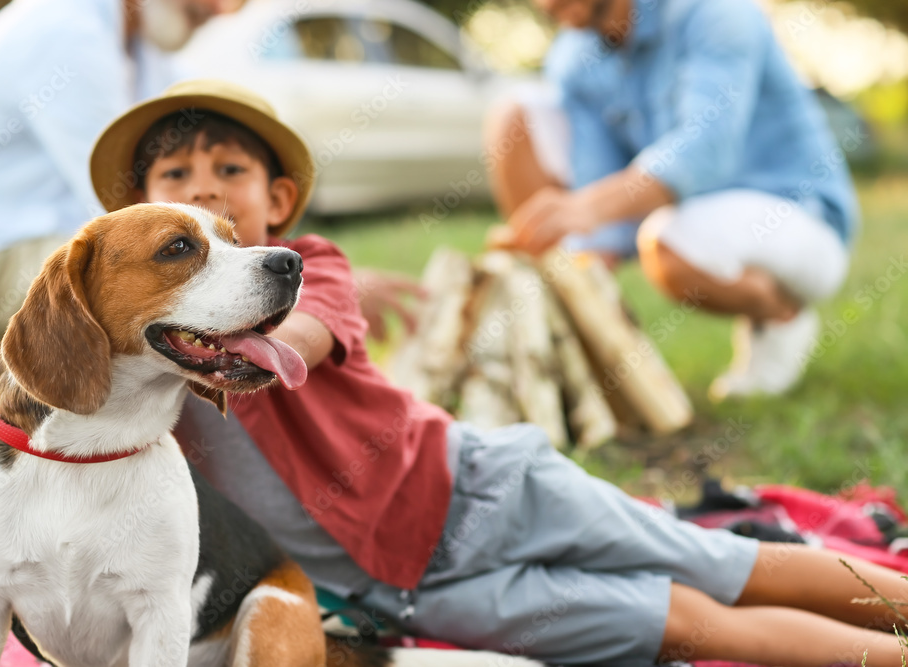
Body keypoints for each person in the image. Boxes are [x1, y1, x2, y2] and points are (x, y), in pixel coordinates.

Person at [90, 78, 906, 666]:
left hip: (481, 490)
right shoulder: (143, 354)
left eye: (228, 172)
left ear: (281, 194)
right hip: (414, 593)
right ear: (138, 215)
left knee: (713, 563)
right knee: (685, 623)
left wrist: (199, 342)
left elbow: (290, 348)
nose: (204, 189)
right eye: (175, 181)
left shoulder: (309, 268)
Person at [485, 0, 858, 401]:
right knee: (517, 112)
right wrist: (583, 269)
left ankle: (781, 316)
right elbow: (602, 181)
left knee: (668, 242)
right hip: (689, 219)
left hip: (800, 219)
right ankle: (573, 355)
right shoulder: (574, 55)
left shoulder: (717, 14)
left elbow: (706, 151)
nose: (548, 7)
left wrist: (584, 209)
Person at [0, 0, 240, 441]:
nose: (221, 10)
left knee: (168, 273)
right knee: (138, 265)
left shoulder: (143, 50)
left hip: (25, 245)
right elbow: (121, 204)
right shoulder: (62, 28)